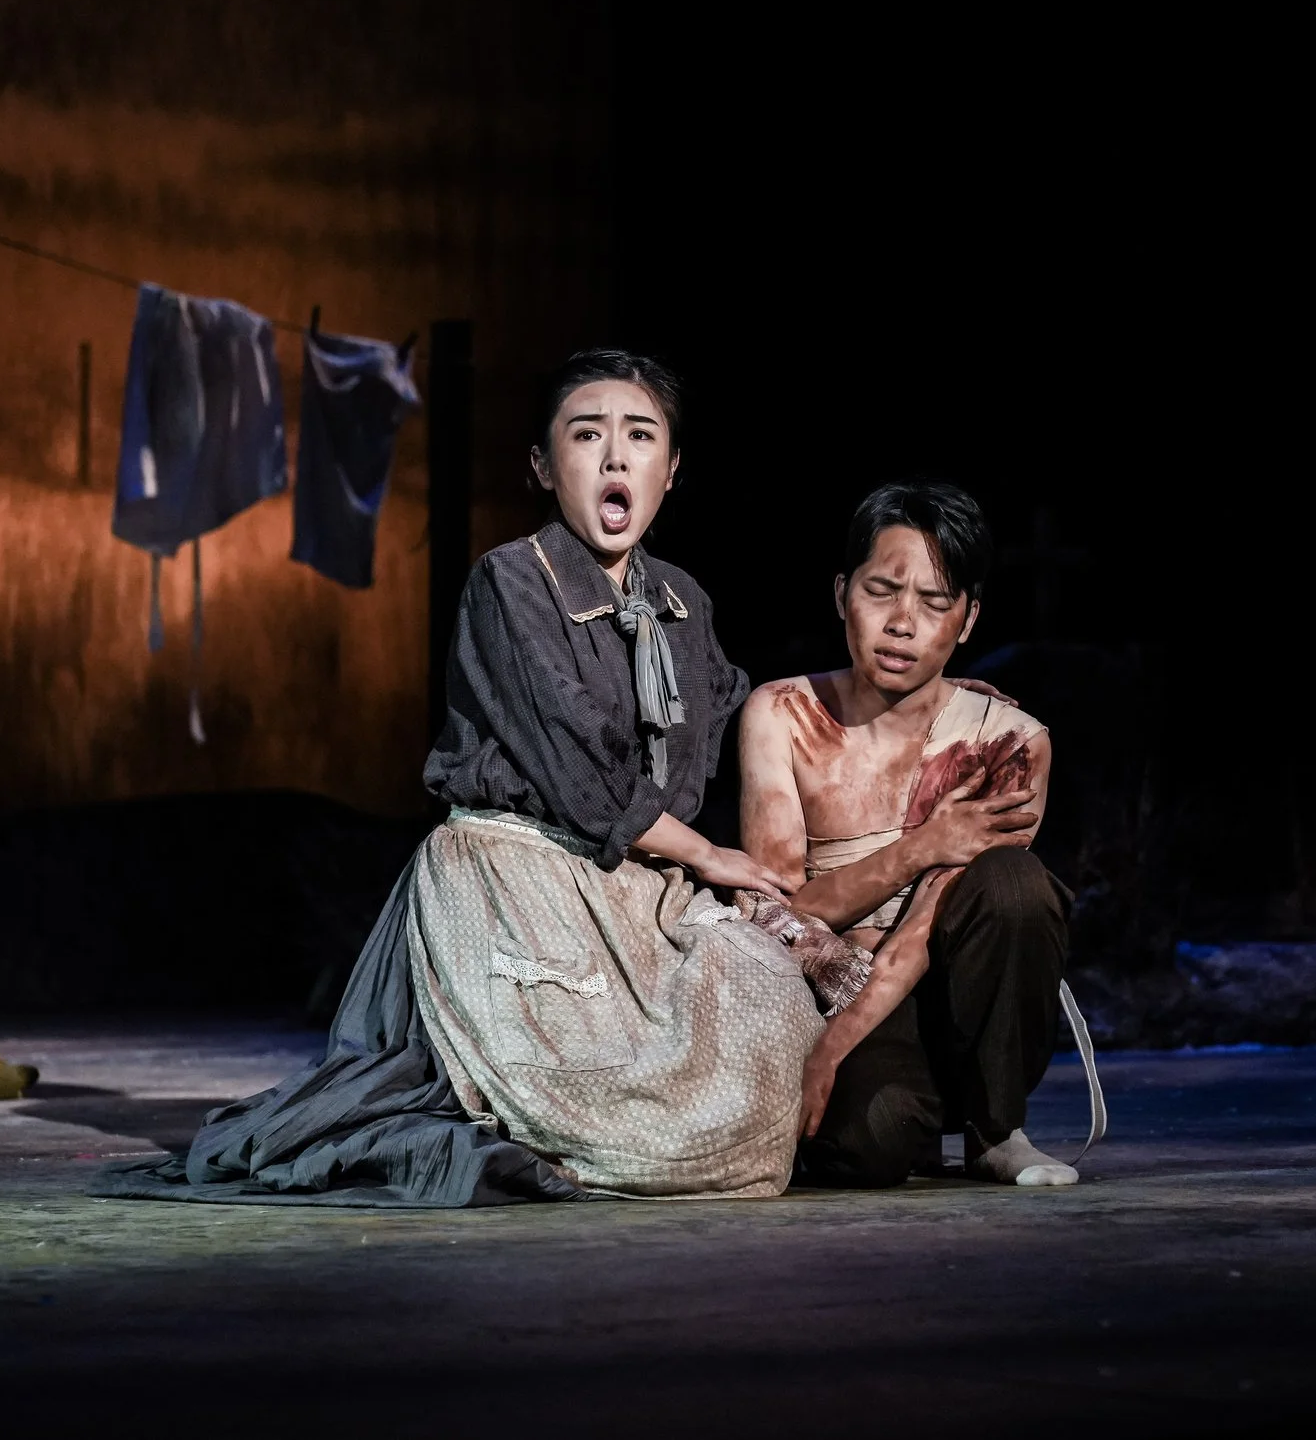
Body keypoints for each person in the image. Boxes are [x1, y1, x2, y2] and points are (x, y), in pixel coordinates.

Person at [97, 349, 818, 1206]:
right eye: (587, 436)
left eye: (640, 436)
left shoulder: (682, 601)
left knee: (769, 1002)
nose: (615, 457)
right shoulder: (512, 580)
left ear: (672, 470)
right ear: (545, 468)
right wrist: (707, 853)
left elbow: (725, 721)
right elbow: (575, 763)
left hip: (641, 885)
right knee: (578, 1105)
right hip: (518, 875)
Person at [739, 482, 1084, 1188]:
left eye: (934, 602)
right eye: (882, 590)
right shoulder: (780, 714)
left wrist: (833, 1048)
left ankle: (998, 1129)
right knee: (871, 1146)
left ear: (967, 620)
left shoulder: (1007, 740)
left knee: (1015, 885)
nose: (903, 622)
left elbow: (932, 918)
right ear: (842, 594)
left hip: (964, 1001)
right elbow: (775, 916)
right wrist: (921, 844)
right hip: (836, 989)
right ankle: (908, 1114)